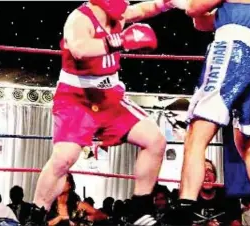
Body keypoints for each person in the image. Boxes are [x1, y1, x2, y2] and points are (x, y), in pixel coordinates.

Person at [30, 0, 184, 225]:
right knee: (64, 158)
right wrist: (120, 40)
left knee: (155, 141)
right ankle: (35, 217)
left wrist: (166, 3)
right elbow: (79, 48)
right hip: (77, 97)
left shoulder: (119, 15)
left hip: (110, 97)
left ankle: (139, 211)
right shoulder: (80, 18)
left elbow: (141, 10)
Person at [167, 0, 250, 224]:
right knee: (247, 144)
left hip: (231, 53)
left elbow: (193, 8)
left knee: (196, 138)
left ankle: (184, 213)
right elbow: (202, 22)